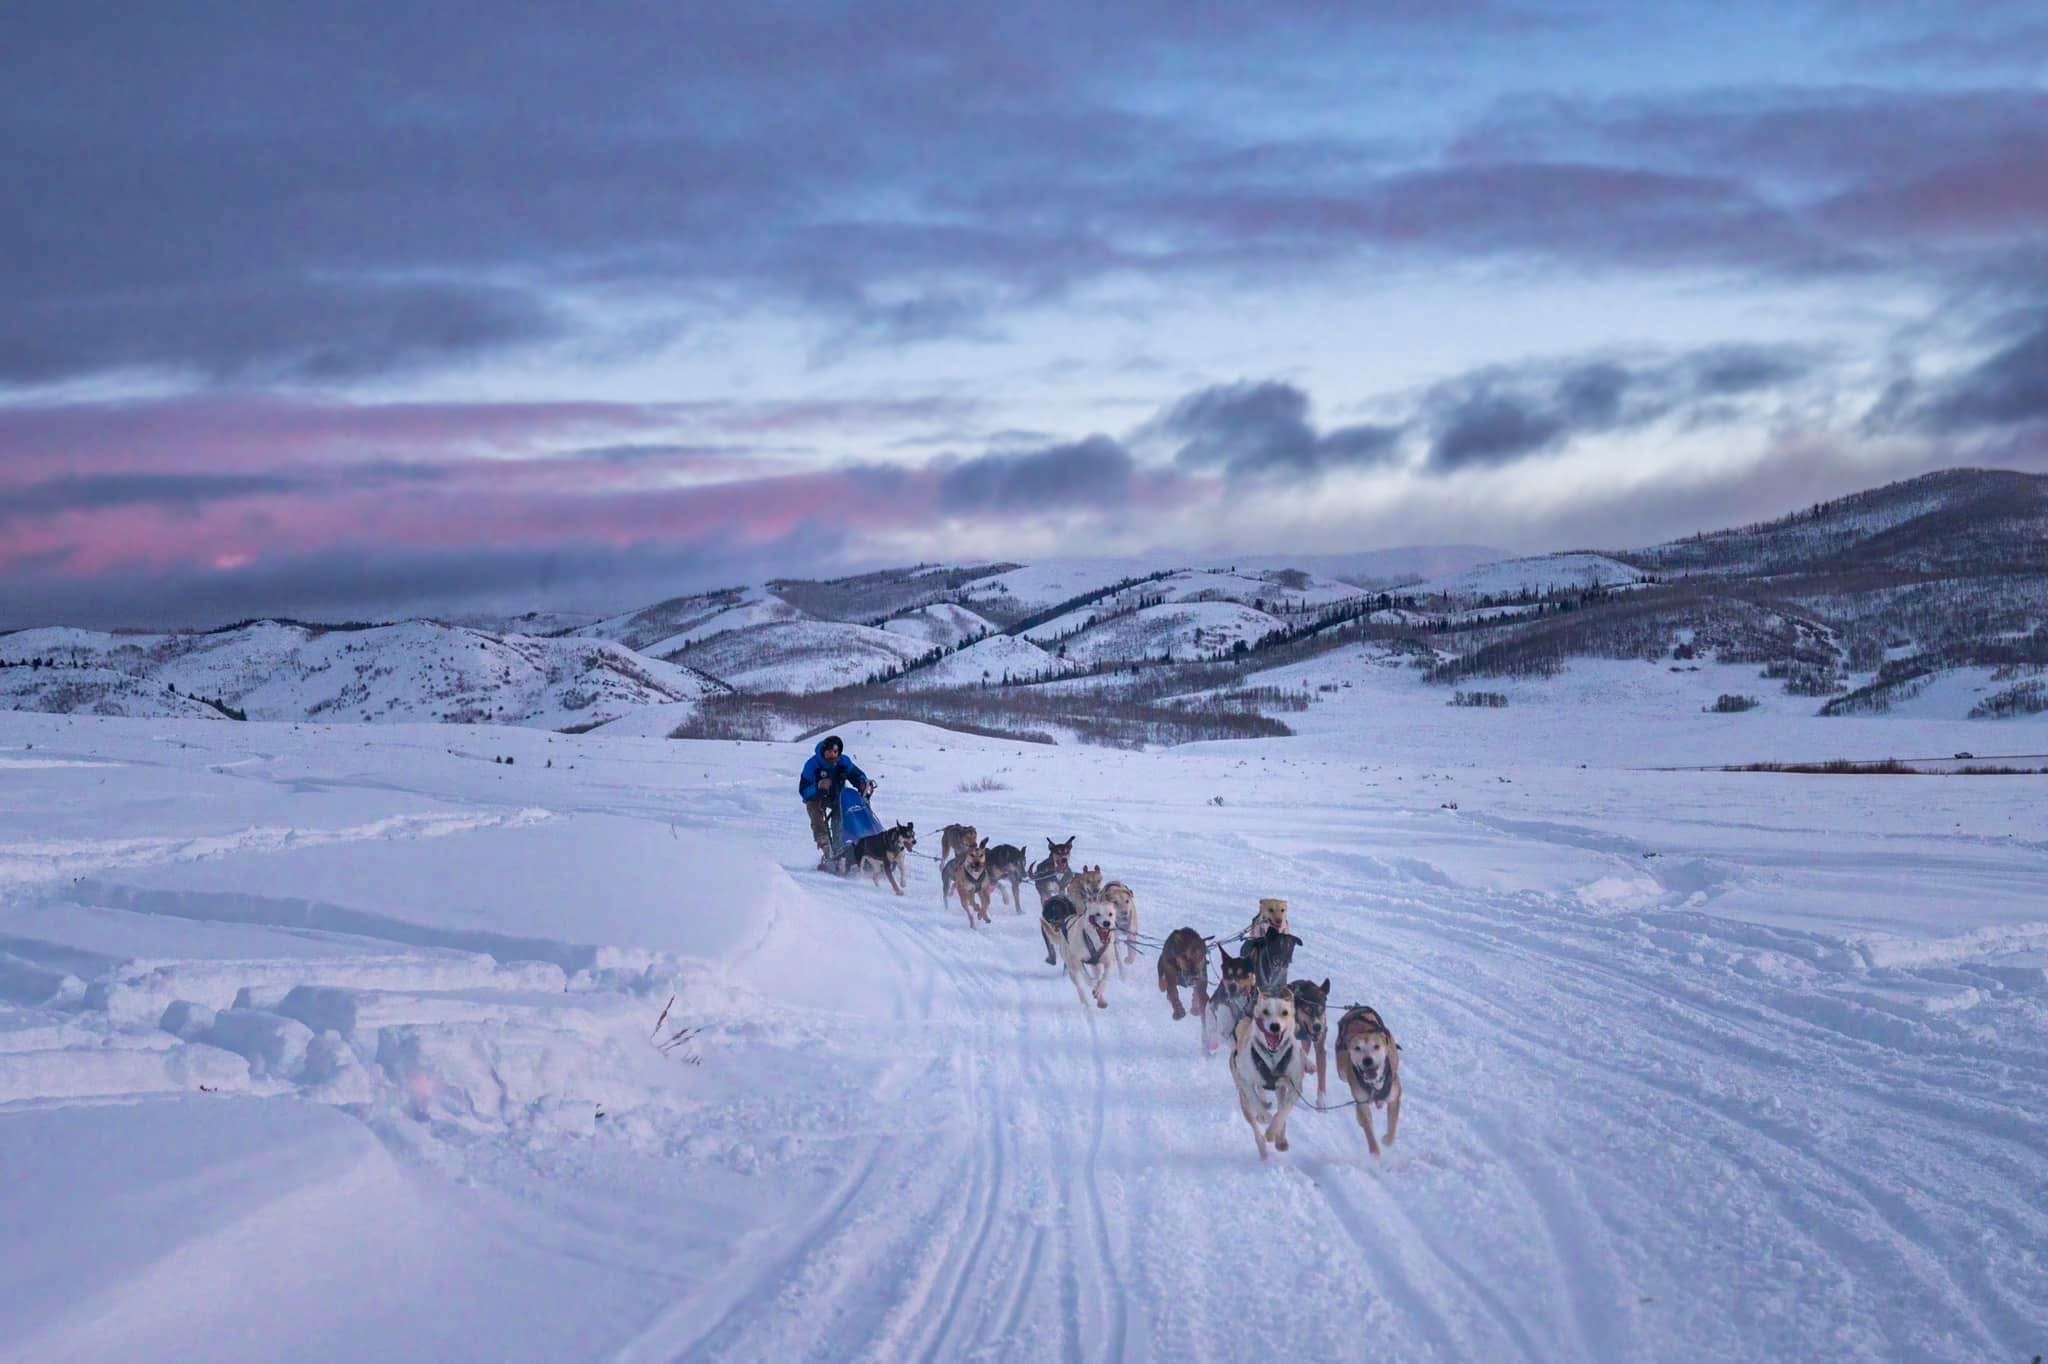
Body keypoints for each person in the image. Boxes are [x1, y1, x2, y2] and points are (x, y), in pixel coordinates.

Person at [798, 734, 871, 867]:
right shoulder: (812, 765)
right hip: (817, 798)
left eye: (835, 752)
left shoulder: (843, 762)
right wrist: (818, 787)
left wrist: (863, 783)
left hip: (838, 797)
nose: (832, 755)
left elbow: (857, 774)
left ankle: (846, 848)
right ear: (824, 751)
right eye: (829, 752)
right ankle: (825, 846)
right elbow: (803, 791)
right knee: (814, 810)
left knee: (841, 818)